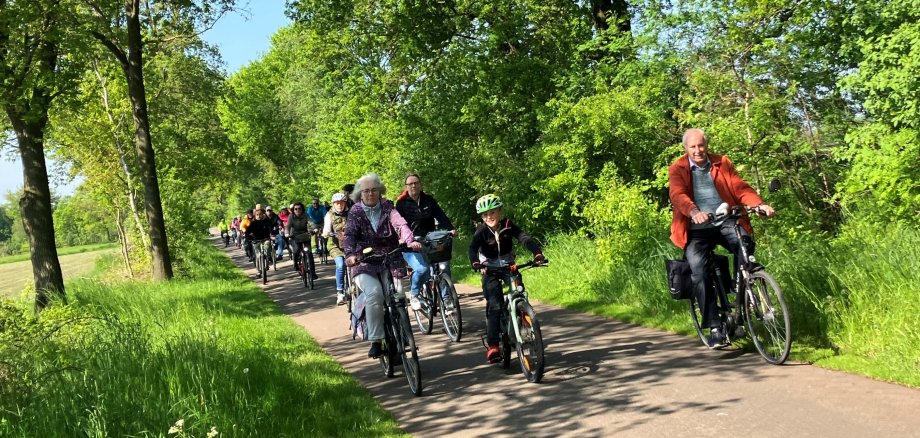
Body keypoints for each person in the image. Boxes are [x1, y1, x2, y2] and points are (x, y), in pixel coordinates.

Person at [668, 128, 775, 348]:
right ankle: (715, 327)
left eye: (701, 145)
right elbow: (678, 195)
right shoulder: (678, 168)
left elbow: (739, 187)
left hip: (725, 221)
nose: (698, 150)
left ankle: (741, 287)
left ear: (706, 145)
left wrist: (758, 204)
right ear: (685, 148)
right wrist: (694, 212)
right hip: (696, 228)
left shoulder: (721, 163)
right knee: (699, 270)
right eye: (693, 147)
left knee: (744, 243)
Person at [344, 173, 421, 359]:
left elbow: (400, 223)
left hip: (389, 256)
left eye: (374, 190)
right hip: (364, 261)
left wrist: (410, 240)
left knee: (399, 296)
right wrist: (350, 255)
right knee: (374, 293)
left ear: (380, 191)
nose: (370, 194)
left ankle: (402, 333)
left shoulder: (387, 206)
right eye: (366, 191)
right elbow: (350, 235)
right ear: (360, 194)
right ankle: (376, 340)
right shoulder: (355, 211)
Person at [468, 194, 545, 363]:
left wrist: (537, 253)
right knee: (495, 305)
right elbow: (472, 249)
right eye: (485, 215)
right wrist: (476, 263)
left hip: (509, 266)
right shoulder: (481, 232)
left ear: (500, 213)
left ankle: (523, 322)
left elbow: (524, 238)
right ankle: (494, 345)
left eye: (493, 213)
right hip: (489, 269)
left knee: (519, 293)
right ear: (482, 217)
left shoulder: (509, 225)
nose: (489, 217)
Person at [395, 172, 457, 310]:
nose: (413, 186)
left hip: (429, 240)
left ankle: (446, 298)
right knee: (423, 270)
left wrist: (450, 229)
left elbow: (440, 215)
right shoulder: (401, 203)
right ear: (406, 186)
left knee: (444, 266)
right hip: (410, 243)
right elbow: (398, 224)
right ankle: (414, 294)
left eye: (416, 183)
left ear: (420, 184)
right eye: (410, 184)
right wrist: (404, 239)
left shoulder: (428, 199)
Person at [322, 192, 350, 305]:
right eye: (337, 203)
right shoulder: (329, 215)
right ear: (333, 204)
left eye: (342, 203)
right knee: (340, 264)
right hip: (335, 245)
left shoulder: (351, 212)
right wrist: (327, 233)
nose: (340, 205)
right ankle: (340, 292)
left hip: (350, 244)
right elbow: (326, 229)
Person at [285, 202, 318, 281]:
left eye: (299, 208)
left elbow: (311, 222)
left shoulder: (305, 215)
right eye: (295, 209)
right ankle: (295, 265)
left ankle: (313, 273)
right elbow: (288, 225)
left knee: (309, 253)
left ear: (302, 209)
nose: (297, 210)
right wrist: (286, 233)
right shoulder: (291, 216)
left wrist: (314, 228)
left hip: (305, 235)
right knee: (296, 250)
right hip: (294, 236)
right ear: (293, 210)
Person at [245, 204, 275, 279]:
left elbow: (270, 228)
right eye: (257, 214)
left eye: (260, 214)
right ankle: (258, 271)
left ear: (263, 214)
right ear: (255, 215)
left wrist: (272, 234)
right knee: (257, 256)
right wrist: (248, 237)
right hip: (256, 240)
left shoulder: (266, 221)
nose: (259, 216)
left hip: (265, 239)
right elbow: (248, 231)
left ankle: (267, 259)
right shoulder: (253, 223)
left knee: (268, 246)